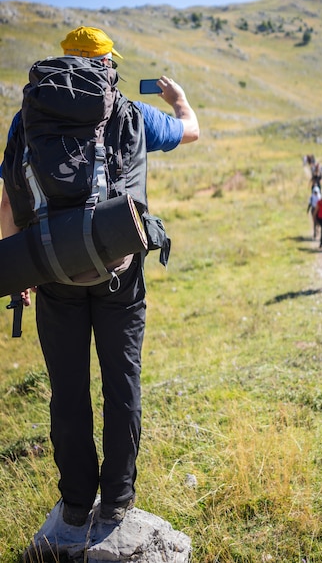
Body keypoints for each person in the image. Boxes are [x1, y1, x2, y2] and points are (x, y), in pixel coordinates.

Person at [0, 26, 199, 527]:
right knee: (122, 384)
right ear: (108, 62)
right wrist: (179, 100)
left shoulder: (29, 116)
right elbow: (190, 130)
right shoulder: (132, 112)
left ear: (64, 61)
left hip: (51, 271)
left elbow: (10, 197)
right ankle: (117, 500)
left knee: (67, 389)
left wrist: (16, 264)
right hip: (119, 273)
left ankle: (73, 504)